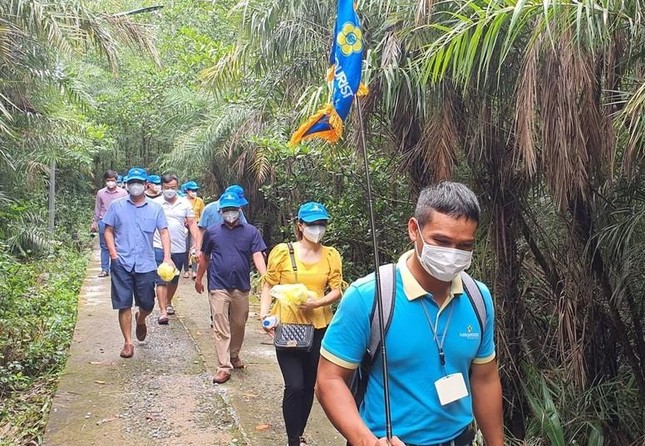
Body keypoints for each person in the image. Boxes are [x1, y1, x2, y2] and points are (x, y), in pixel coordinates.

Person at [316, 182, 504, 446]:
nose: (452, 254)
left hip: (459, 439)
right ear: (414, 229)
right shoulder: (371, 296)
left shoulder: (478, 297)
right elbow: (329, 379)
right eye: (441, 241)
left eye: (464, 245)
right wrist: (365, 440)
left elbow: (485, 379)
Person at [259, 201, 344, 446]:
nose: (317, 229)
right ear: (300, 225)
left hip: (318, 327)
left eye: (322, 224)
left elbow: (337, 290)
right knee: (294, 385)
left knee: (309, 386)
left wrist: (318, 303)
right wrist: (264, 314)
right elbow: (268, 284)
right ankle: (292, 438)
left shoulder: (331, 255)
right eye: (312, 224)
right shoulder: (283, 252)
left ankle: (298, 434)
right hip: (287, 326)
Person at [194, 191, 267, 384]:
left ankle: (234, 354)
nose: (230, 213)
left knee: (239, 323)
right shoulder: (213, 232)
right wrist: (199, 278)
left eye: (233, 210)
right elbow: (205, 257)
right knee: (220, 325)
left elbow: (258, 254)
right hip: (218, 285)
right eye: (226, 210)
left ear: (239, 209)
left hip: (241, 286)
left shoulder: (251, 231)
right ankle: (223, 367)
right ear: (220, 211)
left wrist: (265, 276)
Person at [103, 167, 174, 359]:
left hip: (146, 263)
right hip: (122, 262)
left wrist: (167, 257)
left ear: (145, 185)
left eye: (139, 183)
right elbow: (107, 230)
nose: (135, 186)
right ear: (127, 185)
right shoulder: (116, 206)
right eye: (132, 182)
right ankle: (127, 342)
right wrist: (113, 254)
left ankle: (141, 319)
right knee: (123, 303)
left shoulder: (155, 208)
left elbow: (164, 232)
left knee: (147, 303)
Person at [153, 174, 201, 324]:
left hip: (179, 246)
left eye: (173, 188)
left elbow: (192, 224)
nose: (169, 191)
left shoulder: (185, 203)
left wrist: (198, 244)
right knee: (161, 279)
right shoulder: (155, 203)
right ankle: (162, 311)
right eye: (167, 188)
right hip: (158, 246)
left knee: (173, 279)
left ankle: (168, 302)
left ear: (178, 187)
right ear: (162, 187)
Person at [90, 169, 127, 277]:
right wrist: (94, 222)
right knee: (104, 246)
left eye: (112, 180)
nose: (110, 182)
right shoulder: (101, 193)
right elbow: (97, 208)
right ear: (105, 181)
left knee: (118, 245)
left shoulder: (123, 193)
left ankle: (117, 268)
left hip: (119, 222)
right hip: (104, 221)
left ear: (116, 180)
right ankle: (104, 269)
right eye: (108, 180)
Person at [182, 180, 205, 278]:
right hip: (184, 227)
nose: (194, 192)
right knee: (185, 249)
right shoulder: (182, 201)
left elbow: (202, 214)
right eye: (192, 190)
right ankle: (186, 270)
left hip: (196, 226)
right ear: (187, 191)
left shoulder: (199, 201)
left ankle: (195, 270)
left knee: (195, 248)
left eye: (195, 190)